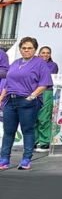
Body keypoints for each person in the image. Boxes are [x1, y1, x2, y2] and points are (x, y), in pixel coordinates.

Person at [0, 37, 53, 170]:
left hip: (27, 101)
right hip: (10, 100)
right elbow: (7, 82)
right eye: (23, 48)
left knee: (28, 130)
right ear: (20, 49)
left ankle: (26, 159)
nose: (26, 50)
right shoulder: (15, 63)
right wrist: (1, 97)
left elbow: (45, 83)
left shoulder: (40, 63)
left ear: (34, 49)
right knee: (8, 131)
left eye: (29, 48)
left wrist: (31, 97)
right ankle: (4, 159)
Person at [34, 45, 58, 152]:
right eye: (43, 53)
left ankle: (44, 141)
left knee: (44, 117)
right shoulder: (32, 63)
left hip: (46, 92)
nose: (45, 55)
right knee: (32, 117)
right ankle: (32, 141)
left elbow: (45, 76)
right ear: (39, 54)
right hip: (33, 91)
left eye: (48, 53)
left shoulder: (53, 65)